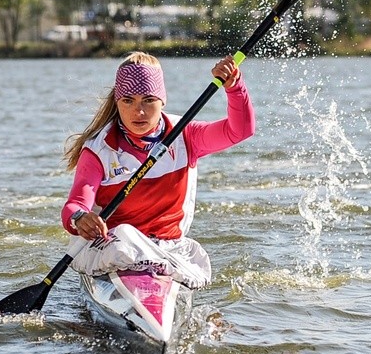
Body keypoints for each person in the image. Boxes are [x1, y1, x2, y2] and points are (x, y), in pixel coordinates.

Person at [60, 51, 255, 289]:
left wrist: (234, 87)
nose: (138, 111)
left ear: (162, 100)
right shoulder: (98, 150)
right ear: (117, 102)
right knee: (125, 235)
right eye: (128, 101)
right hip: (114, 247)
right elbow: (74, 204)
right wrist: (80, 218)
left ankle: (156, 279)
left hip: (168, 248)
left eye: (148, 100)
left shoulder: (185, 135)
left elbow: (240, 130)